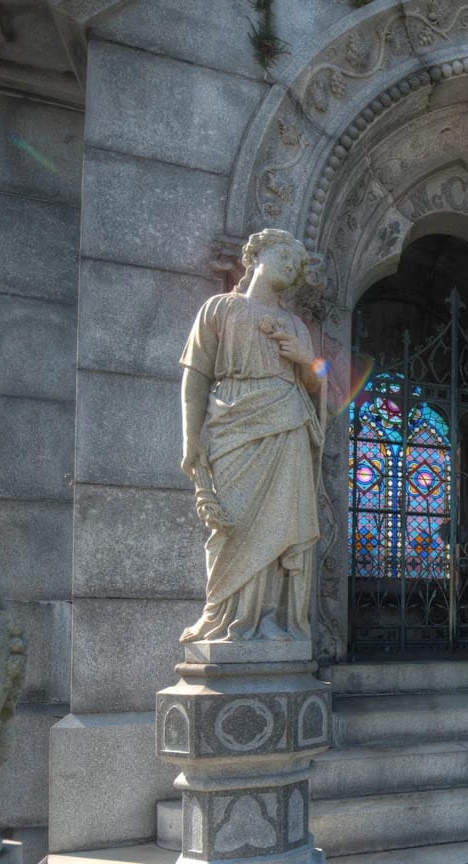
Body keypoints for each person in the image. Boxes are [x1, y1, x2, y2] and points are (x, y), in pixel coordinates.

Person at [178, 228, 326, 643]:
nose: (291, 266)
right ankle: (224, 618)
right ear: (256, 254)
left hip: (287, 423)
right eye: (284, 255)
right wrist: (191, 438)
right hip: (233, 422)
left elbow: (322, 383)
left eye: (297, 265)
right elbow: (196, 377)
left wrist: (308, 361)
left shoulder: (296, 324)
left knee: (282, 525)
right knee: (232, 525)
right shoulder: (219, 308)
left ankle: (268, 619)